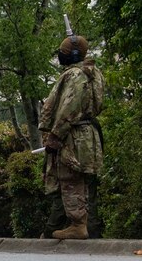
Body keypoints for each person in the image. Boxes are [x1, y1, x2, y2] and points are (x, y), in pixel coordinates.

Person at [41, 34, 104, 240]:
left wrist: (56, 134)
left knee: (70, 176)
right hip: (87, 132)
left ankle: (78, 224)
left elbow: (69, 107)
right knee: (82, 179)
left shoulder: (75, 76)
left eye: (64, 52)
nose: (61, 55)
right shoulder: (93, 74)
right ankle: (81, 223)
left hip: (74, 133)